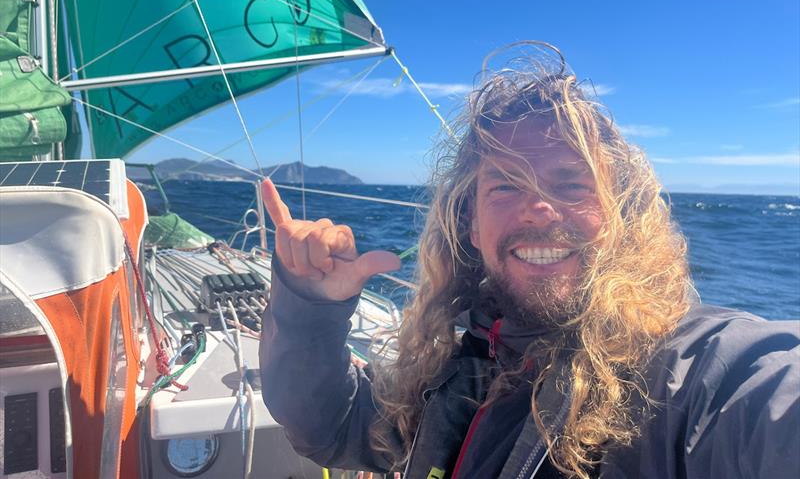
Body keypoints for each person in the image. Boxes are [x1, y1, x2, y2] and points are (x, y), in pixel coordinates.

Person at [259, 43, 799, 479]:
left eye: (571, 183)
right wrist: (308, 307)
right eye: (506, 186)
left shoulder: (681, 378)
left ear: (615, 215)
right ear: (471, 222)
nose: (539, 209)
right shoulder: (461, 363)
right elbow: (330, 428)